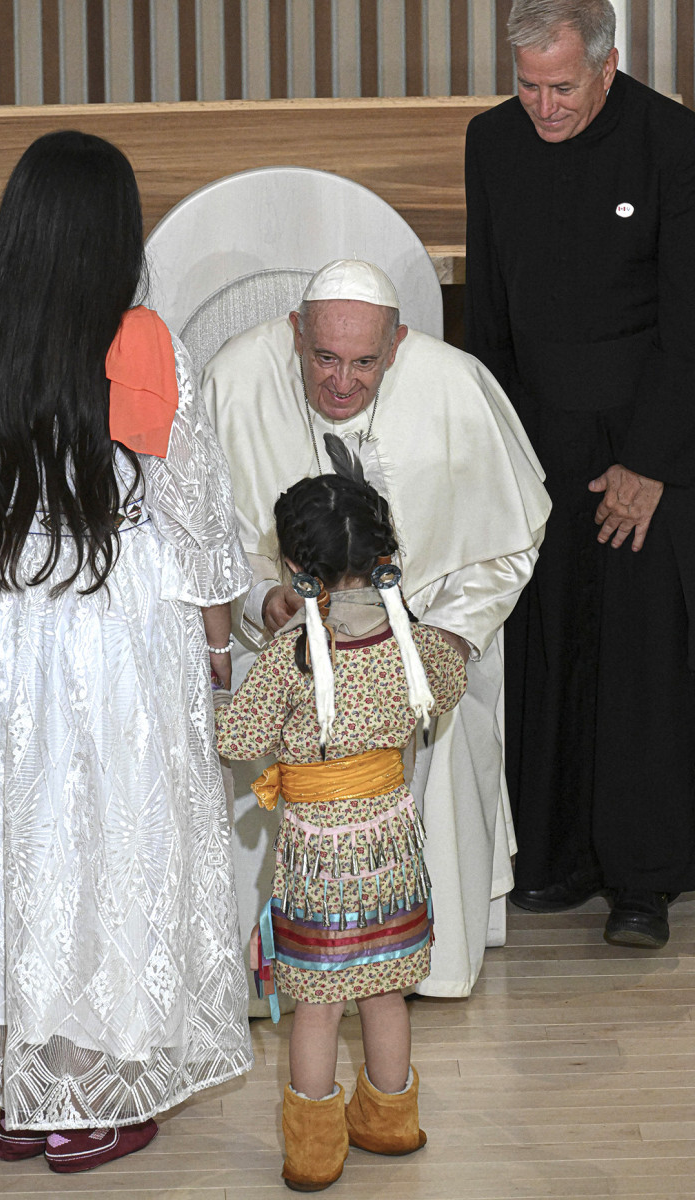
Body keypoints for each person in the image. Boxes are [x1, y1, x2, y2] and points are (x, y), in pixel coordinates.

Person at [0, 131, 252, 1172]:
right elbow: (197, 526)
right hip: (120, 631)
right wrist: (219, 654)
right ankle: (86, 1097)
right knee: (110, 855)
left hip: (1, 629)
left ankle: (22, 1095)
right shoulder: (140, 342)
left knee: (12, 848)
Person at [202, 258, 551, 1001]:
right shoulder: (236, 382)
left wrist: (449, 639)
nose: (342, 383)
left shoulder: (454, 385)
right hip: (286, 657)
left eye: (364, 363)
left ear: (397, 347)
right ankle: (257, 969)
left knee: (447, 742)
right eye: (325, 358)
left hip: (422, 650)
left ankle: (430, 964)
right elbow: (212, 537)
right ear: (296, 334)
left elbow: (510, 539)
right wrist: (261, 596)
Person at [464, 0, 695, 948]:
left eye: (562, 86)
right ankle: (553, 857)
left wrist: (649, 463)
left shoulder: (672, 141)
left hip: (646, 434)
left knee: (640, 657)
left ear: (607, 67)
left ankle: (643, 880)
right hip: (537, 434)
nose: (543, 106)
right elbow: (488, 299)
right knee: (547, 640)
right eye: (528, 84)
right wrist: (492, 444)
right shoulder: (492, 141)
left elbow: (689, 321)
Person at [214, 467, 468, 1191]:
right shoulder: (409, 643)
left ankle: (314, 1150)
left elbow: (238, 741)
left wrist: (212, 702)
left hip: (318, 860)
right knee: (384, 992)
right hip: (390, 843)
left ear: (296, 570)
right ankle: (391, 1122)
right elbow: (446, 683)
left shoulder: (291, 660)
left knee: (318, 1008)